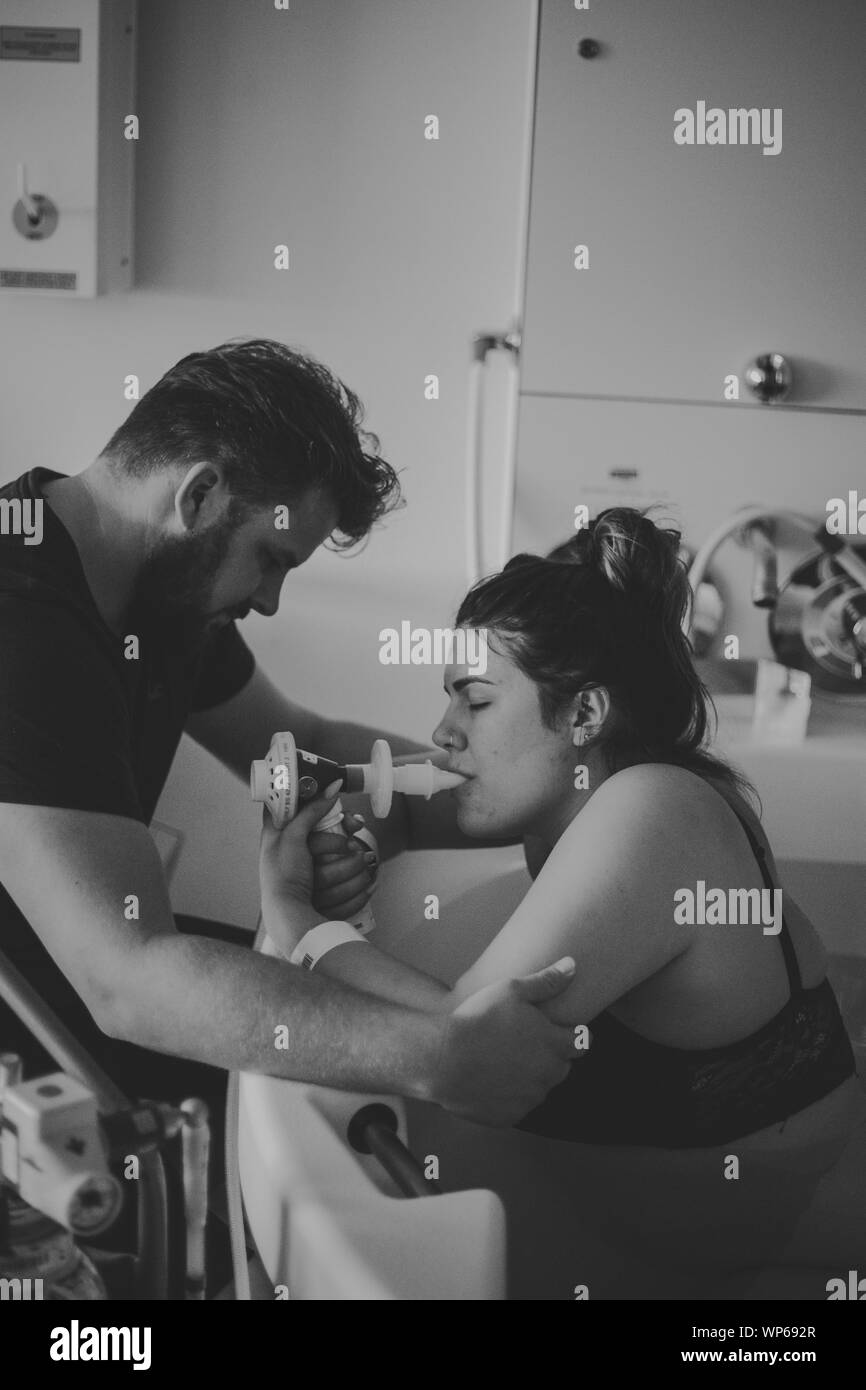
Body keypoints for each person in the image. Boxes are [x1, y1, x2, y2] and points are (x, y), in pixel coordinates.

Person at [0, 337, 576, 1297]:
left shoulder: (161, 597)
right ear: (198, 496)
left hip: (82, 969)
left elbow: (303, 742)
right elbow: (130, 983)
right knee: (309, 1097)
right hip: (49, 1014)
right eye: (270, 559)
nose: (269, 600)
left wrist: (512, 782)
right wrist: (439, 1060)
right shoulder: (20, 627)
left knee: (319, 1067)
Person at [272, 507, 866, 1298]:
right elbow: (405, 804)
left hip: (789, 1238)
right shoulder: (585, 786)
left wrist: (295, 918)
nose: (443, 734)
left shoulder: (653, 811)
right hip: (684, 1205)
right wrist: (348, 849)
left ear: (585, 713)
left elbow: (456, 1044)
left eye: (475, 702)